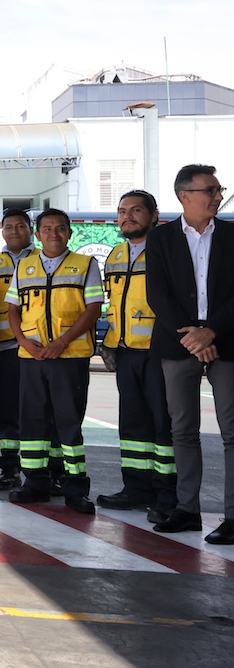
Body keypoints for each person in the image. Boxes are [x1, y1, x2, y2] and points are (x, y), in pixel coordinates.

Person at [147, 165, 234, 544]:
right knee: (182, 430)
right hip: (177, 341)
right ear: (185, 195)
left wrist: (211, 331)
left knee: (232, 432)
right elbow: (157, 295)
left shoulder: (233, 235)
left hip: (226, 340)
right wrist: (193, 337)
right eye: (210, 190)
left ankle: (232, 517)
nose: (217, 196)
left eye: (218, 189)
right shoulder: (161, 239)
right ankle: (187, 510)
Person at [6, 209, 103, 515]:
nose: (53, 234)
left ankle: (74, 487)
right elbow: (12, 309)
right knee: (32, 420)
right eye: (47, 229)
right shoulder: (24, 266)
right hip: (31, 357)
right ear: (38, 234)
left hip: (69, 357)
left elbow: (93, 309)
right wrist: (23, 342)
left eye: (60, 228)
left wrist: (61, 342)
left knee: (68, 422)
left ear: (70, 233)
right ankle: (35, 482)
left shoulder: (85, 265)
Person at [96, 190, 178, 523]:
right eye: (122, 211)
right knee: (132, 426)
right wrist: (110, 342)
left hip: (161, 353)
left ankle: (168, 494)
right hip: (125, 353)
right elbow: (116, 304)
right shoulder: (116, 255)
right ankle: (136, 489)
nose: (127, 216)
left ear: (154, 215)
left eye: (136, 210)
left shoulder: (169, 253)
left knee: (164, 426)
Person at [0, 209, 36, 492]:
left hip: (36, 350)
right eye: (8, 227)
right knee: (6, 411)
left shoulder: (44, 259)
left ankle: (42, 472)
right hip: (3, 350)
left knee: (40, 411)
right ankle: (10, 469)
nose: (14, 231)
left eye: (20, 226)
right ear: (2, 231)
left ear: (30, 229)